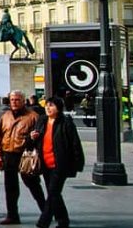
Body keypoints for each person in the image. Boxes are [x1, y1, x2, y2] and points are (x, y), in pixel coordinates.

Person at [31, 97, 84, 228]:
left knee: (53, 192)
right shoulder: (42, 120)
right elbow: (34, 140)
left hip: (60, 164)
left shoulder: (66, 122)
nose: (48, 108)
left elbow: (75, 143)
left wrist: (78, 162)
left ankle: (44, 221)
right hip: (45, 162)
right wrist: (32, 137)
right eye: (47, 105)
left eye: (52, 106)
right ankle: (63, 220)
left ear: (59, 108)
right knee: (54, 193)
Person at [0, 90, 45, 225]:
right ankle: (12, 215)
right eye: (12, 100)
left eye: (17, 100)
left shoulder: (33, 116)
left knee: (33, 184)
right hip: (8, 154)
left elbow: (40, 137)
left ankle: (46, 210)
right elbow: (0, 137)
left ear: (24, 101)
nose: (14, 102)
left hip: (25, 154)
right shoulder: (5, 116)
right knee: (10, 186)